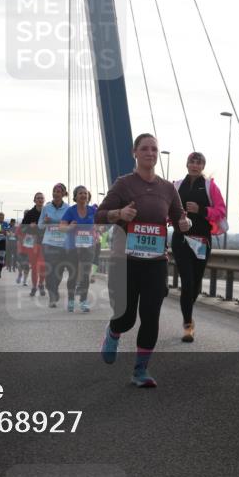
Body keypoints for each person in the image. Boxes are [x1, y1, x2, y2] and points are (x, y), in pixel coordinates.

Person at [96, 133, 190, 388]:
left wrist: (185, 222)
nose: (150, 153)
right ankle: (113, 332)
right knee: (126, 317)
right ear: (134, 153)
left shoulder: (168, 188)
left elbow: (181, 218)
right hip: (126, 260)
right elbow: (99, 215)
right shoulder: (124, 184)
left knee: (150, 316)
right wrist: (120, 213)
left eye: (154, 149)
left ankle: (140, 371)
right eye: (145, 149)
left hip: (156, 260)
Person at [170, 152, 227, 342]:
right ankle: (188, 325)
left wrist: (201, 210)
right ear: (186, 164)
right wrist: (176, 218)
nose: (195, 166)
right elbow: (167, 210)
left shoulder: (210, 186)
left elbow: (221, 210)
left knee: (194, 284)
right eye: (191, 162)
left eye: (198, 163)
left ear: (203, 166)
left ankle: (188, 311)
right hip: (181, 239)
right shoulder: (177, 185)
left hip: (202, 240)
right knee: (187, 282)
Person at [61, 186, 96, 313]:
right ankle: (71, 300)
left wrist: (100, 229)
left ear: (88, 196)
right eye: (80, 193)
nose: (83, 195)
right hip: (72, 247)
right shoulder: (70, 211)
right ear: (75, 197)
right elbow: (61, 227)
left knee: (85, 274)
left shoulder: (93, 210)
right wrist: (69, 226)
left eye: (85, 193)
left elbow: (101, 224)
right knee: (73, 274)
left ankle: (83, 301)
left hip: (88, 246)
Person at [38, 183, 71, 309]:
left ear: (63, 194)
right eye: (54, 191)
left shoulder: (68, 208)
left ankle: (54, 288)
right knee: (50, 269)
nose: (56, 193)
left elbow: (70, 225)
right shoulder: (46, 208)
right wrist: (46, 222)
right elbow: (40, 225)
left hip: (63, 243)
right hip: (49, 242)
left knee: (59, 270)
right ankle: (52, 296)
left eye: (58, 191)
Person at [18, 193, 46, 294]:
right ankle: (34, 286)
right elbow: (22, 228)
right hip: (33, 243)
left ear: (44, 200)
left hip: (44, 242)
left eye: (42, 198)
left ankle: (41, 284)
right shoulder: (30, 213)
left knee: (43, 265)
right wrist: (30, 226)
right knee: (34, 266)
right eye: (38, 198)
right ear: (34, 200)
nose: (40, 200)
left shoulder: (47, 212)